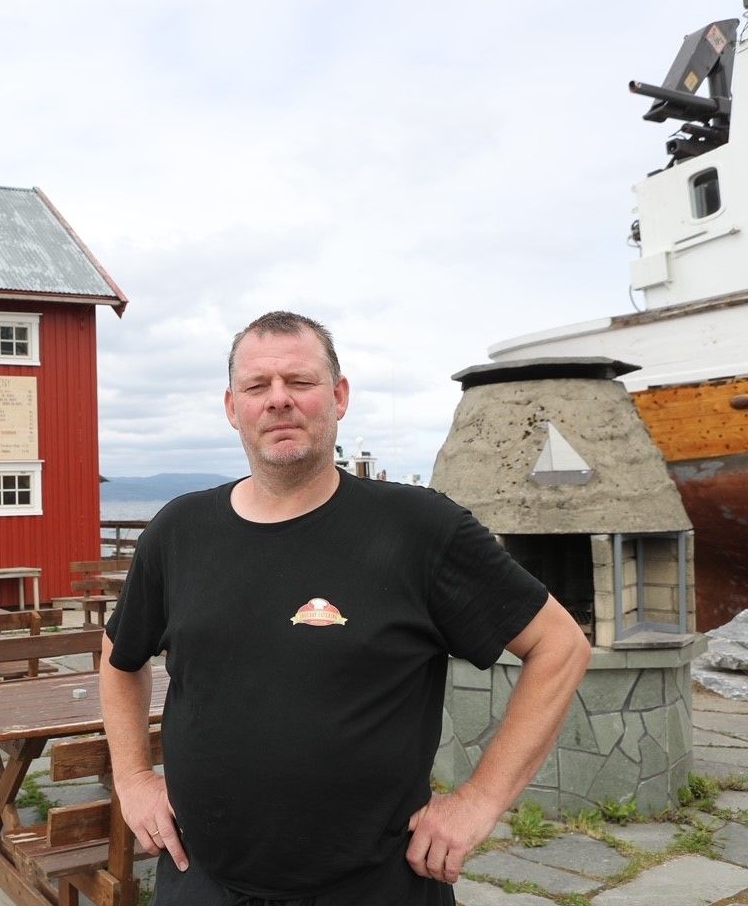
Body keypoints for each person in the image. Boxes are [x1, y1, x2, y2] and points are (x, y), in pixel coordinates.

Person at [100, 311, 591, 905]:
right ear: (233, 408)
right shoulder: (179, 531)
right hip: (203, 881)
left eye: (299, 382)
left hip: (374, 886)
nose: (278, 400)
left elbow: (559, 646)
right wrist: (131, 778)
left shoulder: (420, 529)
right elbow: (119, 654)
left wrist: (479, 802)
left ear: (339, 396)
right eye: (258, 387)